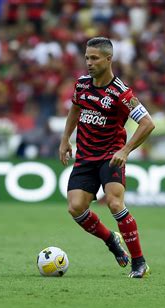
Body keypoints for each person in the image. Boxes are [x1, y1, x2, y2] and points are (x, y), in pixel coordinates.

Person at [58, 37, 155, 278]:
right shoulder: (82, 85)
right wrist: (65, 139)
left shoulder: (121, 93)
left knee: (114, 203)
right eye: (87, 58)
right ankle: (111, 239)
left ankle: (139, 262)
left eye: (94, 58)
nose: (89, 63)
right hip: (85, 157)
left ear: (108, 59)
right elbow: (75, 108)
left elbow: (147, 123)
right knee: (75, 207)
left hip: (110, 157)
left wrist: (125, 150)